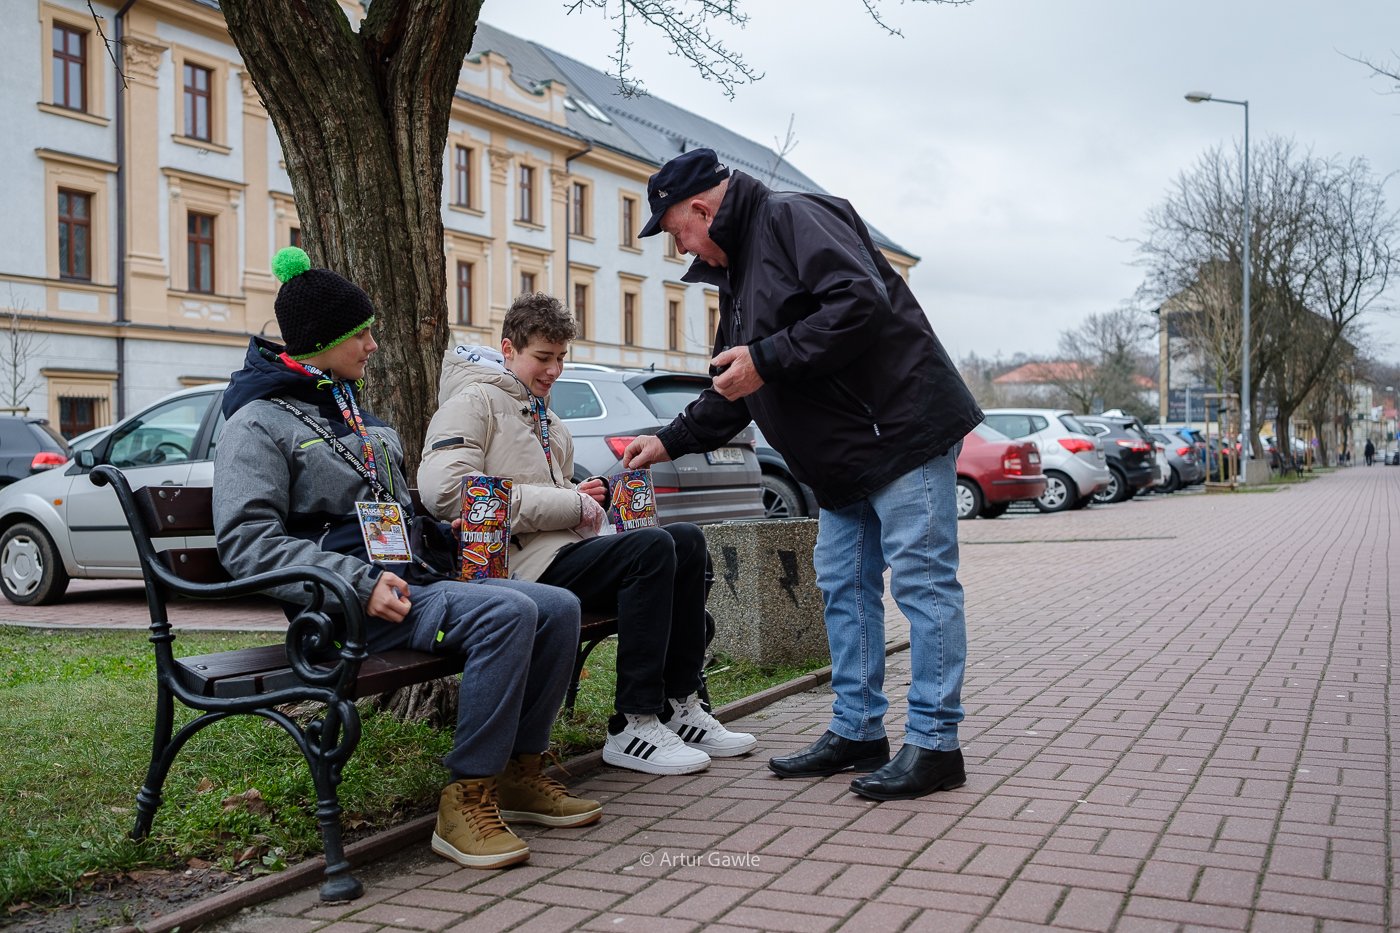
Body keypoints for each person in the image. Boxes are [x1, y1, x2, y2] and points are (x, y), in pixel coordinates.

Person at [213, 247, 601, 872]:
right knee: (507, 614)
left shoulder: (351, 413)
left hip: (411, 584)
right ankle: (465, 798)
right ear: (321, 340)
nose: (372, 346)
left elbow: (398, 515)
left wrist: (453, 542)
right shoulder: (257, 423)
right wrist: (356, 582)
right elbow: (246, 542)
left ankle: (519, 773)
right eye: (361, 334)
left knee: (556, 606)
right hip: (343, 611)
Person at [622, 148, 983, 801]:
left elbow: (857, 302)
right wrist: (666, 442)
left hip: (899, 430)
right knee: (843, 590)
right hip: (845, 462)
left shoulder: (792, 218)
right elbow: (734, 387)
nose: (679, 246)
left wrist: (766, 357)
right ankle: (857, 731)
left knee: (924, 586)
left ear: (702, 208)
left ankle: (935, 743)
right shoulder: (736, 274)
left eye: (676, 230)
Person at [417, 292, 756, 776]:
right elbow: (447, 492)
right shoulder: (472, 404)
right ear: (509, 348)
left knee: (685, 539)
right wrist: (571, 502)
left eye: (560, 359)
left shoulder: (546, 417)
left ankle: (679, 705)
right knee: (652, 549)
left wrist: (583, 491)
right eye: (542, 358)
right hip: (516, 567)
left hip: (564, 552)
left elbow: (545, 490)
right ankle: (634, 723)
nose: (554, 370)